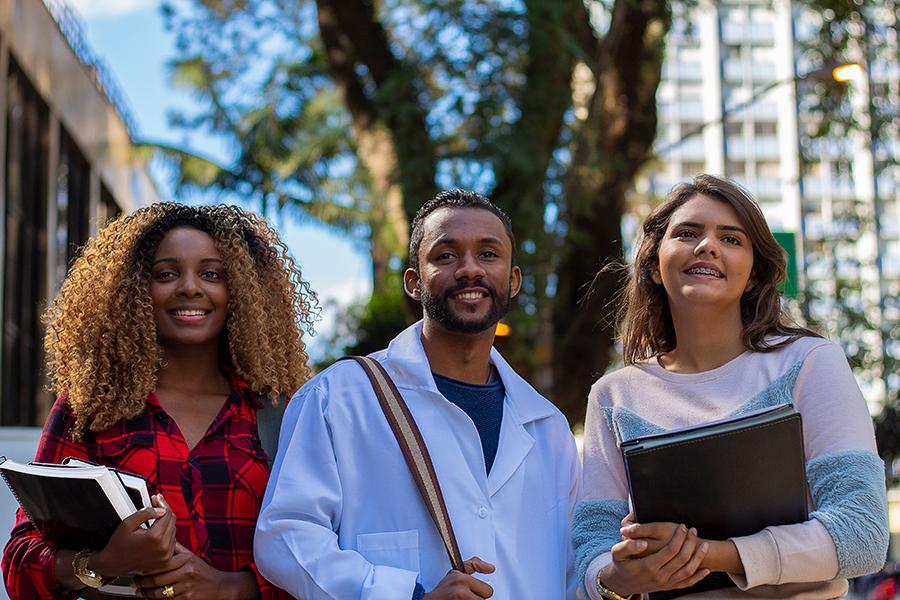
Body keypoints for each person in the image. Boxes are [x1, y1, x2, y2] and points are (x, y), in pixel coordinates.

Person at [254, 189, 581, 599]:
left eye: (488, 254)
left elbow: (571, 571)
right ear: (413, 282)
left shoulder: (548, 427)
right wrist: (405, 595)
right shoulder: (339, 398)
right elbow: (286, 536)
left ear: (512, 281)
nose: (469, 270)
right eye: (445, 255)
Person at [573, 174, 888, 599]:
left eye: (732, 239)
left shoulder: (810, 362)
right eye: (687, 233)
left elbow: (863, 534)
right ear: (652, 265)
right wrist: (617, 579)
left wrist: (710, 554)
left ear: (755, 274)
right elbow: (591, 550)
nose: (707, 246)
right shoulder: (613, 397)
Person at [2, 203, 316, 600]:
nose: (189, 287)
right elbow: (19, 561)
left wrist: (232, 587)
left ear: (240, 290)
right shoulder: (90, 407)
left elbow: (323, 554)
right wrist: (102, 563)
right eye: (166, 274)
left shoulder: (281, 413)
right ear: (134, 291)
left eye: (211, 274)